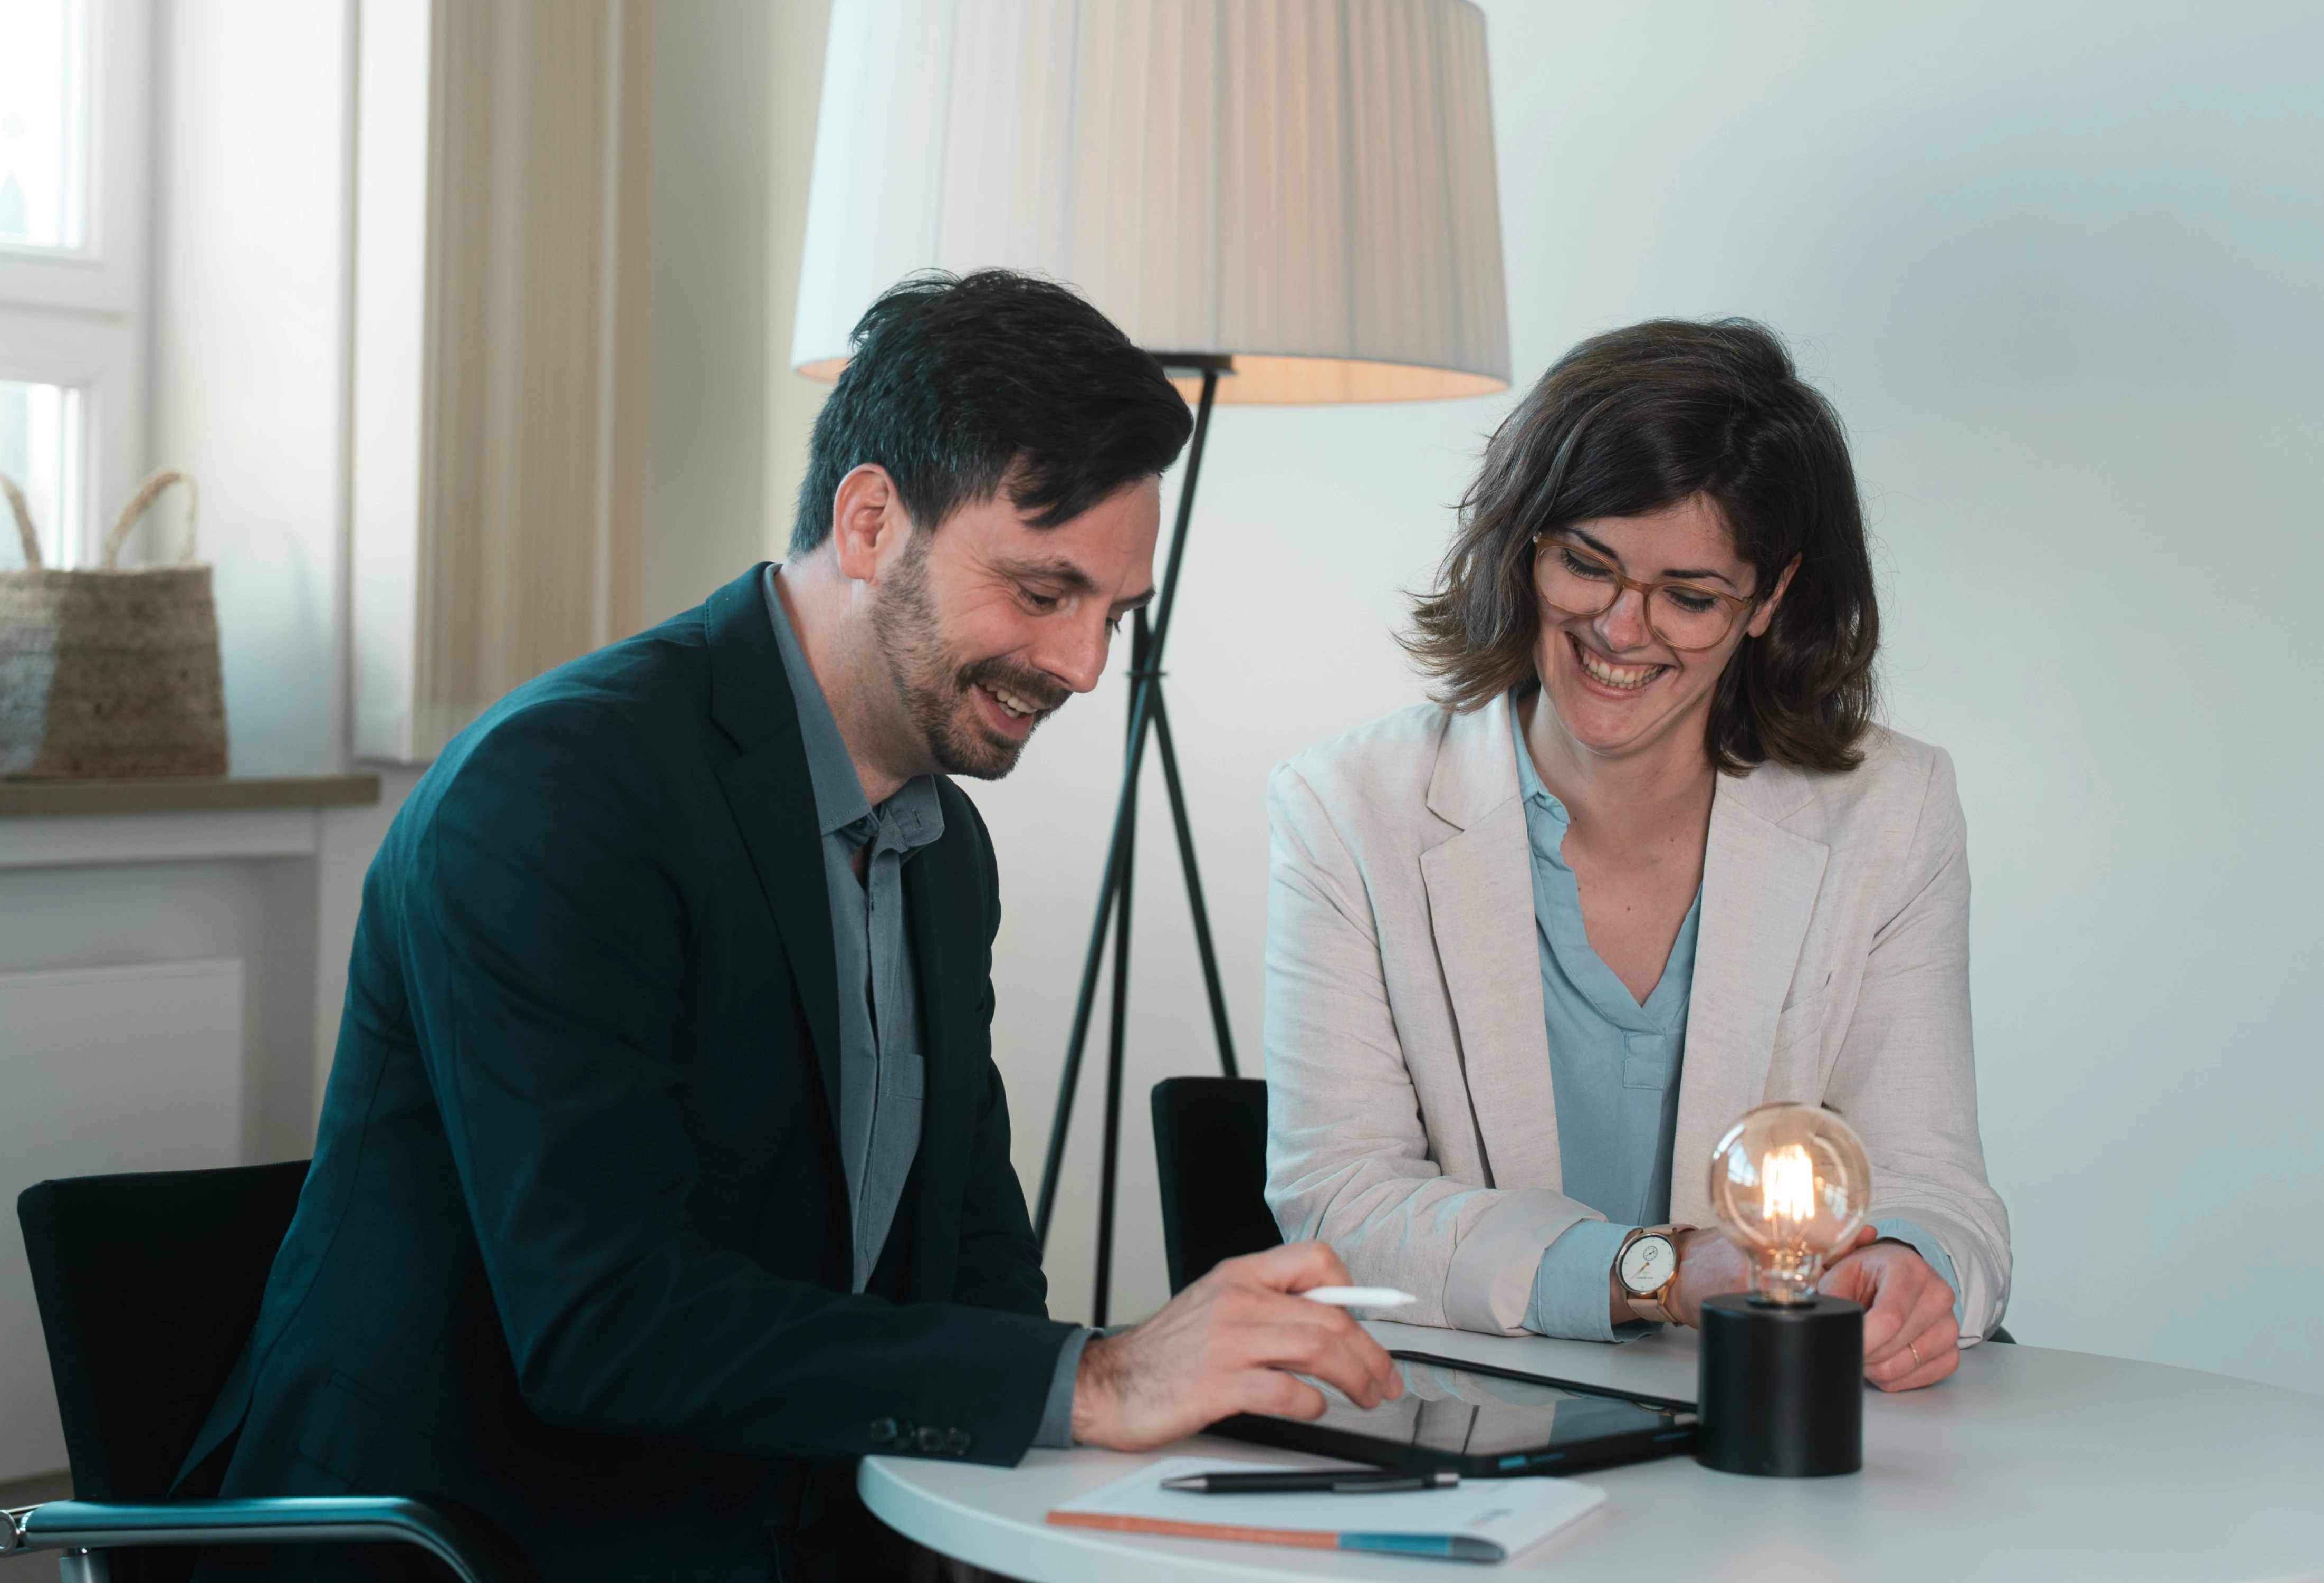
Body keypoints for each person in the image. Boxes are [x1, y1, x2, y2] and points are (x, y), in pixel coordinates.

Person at [183, 271, 1401, 1582]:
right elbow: (609, 1325)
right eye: (1044, 592)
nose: (1084, 665)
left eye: (1112, 614)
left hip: (773, 1519)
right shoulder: (561, 794)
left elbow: (972, 1259)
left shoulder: (942, 848)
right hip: (475, 1541)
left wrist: (1068, 1453)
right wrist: (1094, 1380)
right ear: (872, 521)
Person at [1261, 319, 2010, 1393]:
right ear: (1525, 545)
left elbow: (1935, 1181)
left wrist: (1911, 1264)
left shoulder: (1893, 812)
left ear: (1771, 601)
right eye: (1588, 566)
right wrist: (1652, 1272)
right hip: (1481, 1416)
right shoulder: (1345, 810)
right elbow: (1344, 1202)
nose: (1621, 628)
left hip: (1781, 1423)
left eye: (1691, 598)